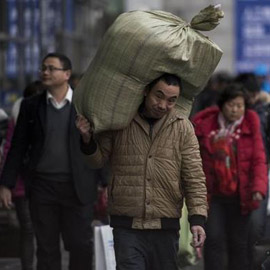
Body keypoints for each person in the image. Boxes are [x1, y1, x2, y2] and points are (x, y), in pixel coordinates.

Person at [76, 73, 208, 270]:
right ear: (146, 91)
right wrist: (87, 141)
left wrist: (197, 219)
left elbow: (194, 176)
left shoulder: (182, 127)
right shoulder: (121, 121)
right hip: (127, 225)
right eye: (159, 96)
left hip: (166, 225)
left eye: (171, 100)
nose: (163, 105)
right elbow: (97, 161)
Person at [0, 53, 98, 270]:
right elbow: (17, 147)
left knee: (80, 244)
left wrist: (106, 181)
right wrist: (6, 184)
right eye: (43, 68)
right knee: (46, 247)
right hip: (42, 187)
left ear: (67, 74)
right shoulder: (30, 106)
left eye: (51, 68)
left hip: (77, 187)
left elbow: (100, 147)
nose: (45, 72)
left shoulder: (86, 105)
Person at [192, 83, 268, 270]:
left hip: (241, 196)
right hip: (213, 195)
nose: (235, 110)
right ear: (222, 104)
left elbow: (259, 159)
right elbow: (195, 160)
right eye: (231, 105)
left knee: (239, 243)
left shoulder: (250, 125)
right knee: (214, 239)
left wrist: (259, 188)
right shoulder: (204, 126)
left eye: (240, 106)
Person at [0, 80, 46, 270]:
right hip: (23, 185)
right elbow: (11, 150)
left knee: (34, 231)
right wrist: (6, 184)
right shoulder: (18, 118)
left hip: (43, 183)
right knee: (30, 229)